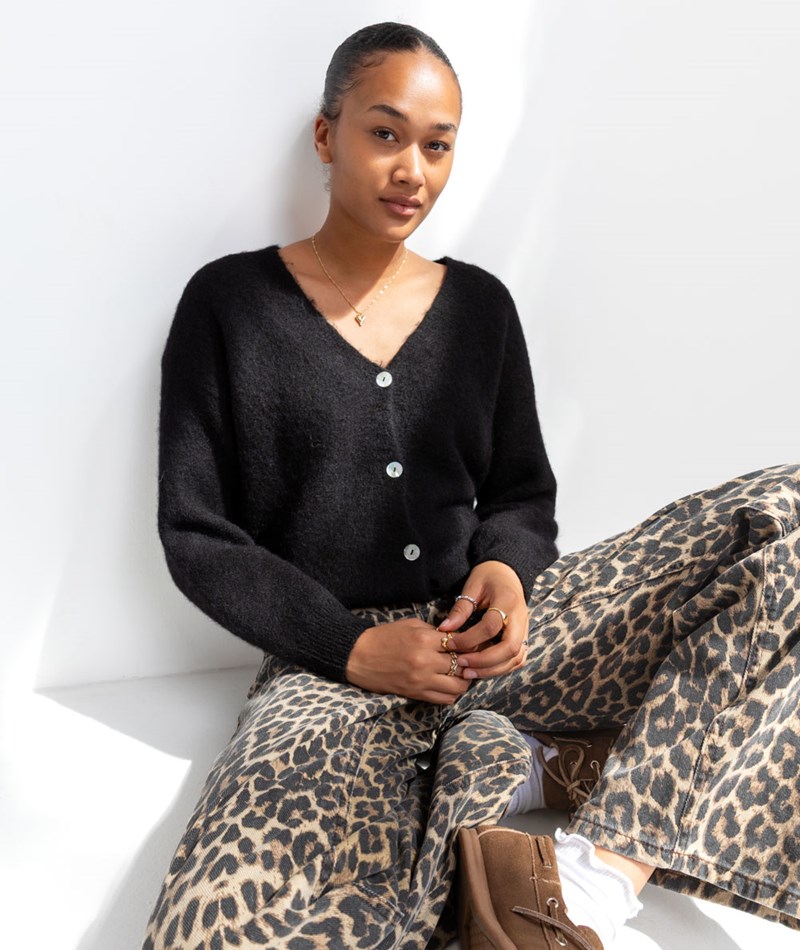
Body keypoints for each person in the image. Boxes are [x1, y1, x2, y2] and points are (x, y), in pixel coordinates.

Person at [142, 21, 800, 950]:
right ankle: (531, 764)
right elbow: (198, 533)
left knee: (785, 516)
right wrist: (350, 648)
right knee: (228, 908)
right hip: (330, 670)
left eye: (437, 145)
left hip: (501, 642)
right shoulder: (231, 305)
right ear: (327, 136)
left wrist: (507, 573)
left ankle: (599, 873)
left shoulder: (481, 306)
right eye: (385, 133)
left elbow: (522, 494)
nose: (412, 169)